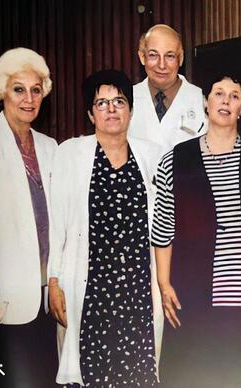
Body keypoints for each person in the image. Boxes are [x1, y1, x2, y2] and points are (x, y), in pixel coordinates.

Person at [152, 74, 241, 387]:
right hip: (194, 291)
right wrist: (164, 282)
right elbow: (163, 226)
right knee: (197, 373)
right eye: (218, 94)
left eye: (234, 96)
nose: (225, 101)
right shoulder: (175, 159)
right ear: (206, 104)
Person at [47, 70, 164, 386]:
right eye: (102, 103)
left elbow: (164, 223)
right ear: (90, 113)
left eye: (119, 101)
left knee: (137, 371)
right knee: (89, 371)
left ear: (130, 110)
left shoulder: (152, 155)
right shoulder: (70, 153)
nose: (111, 109)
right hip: (91, 287)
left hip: (137, 288)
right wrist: (53, 282)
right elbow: (57, 225)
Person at [0, 47, 58, 388]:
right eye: (19, 89)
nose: (28, 99)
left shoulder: (50, 146)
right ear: (3, 90)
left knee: (42, 376)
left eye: (36, 90)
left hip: (43, 290)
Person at [129, 24, 206, 151]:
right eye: (153, 55)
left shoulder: (201, 100)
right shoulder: (126, 99)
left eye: (169, 56)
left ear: (180, 59)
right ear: (142, 57)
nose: (162, 65)